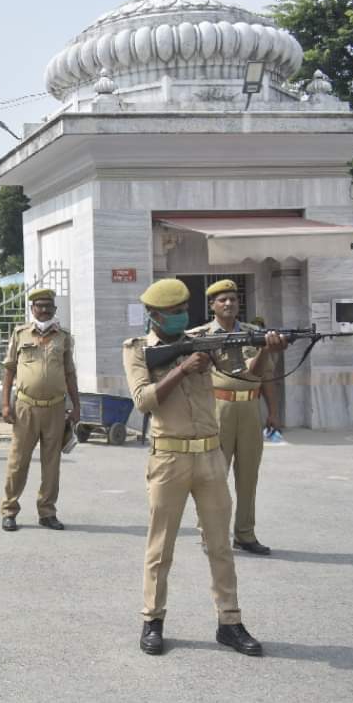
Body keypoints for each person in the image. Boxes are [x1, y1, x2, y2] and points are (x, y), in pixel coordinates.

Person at [123, 278, 269, 657]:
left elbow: (247, 376)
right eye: (172, 313)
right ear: (153, 316)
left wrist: (269, 351)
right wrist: (183, 369)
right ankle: (152, 620)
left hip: (209, 456)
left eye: (183, 311)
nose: (180, 318)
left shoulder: (204, 342)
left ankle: (230, 622)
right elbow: (144, 400)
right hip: (169, 457)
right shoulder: (138, 350)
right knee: (161, 547)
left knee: (220, 545)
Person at [189, 279, 284, 555]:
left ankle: (245, 533)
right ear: (212, 305)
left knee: (248, 476)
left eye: (232, 298)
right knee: (213, 477)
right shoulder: (200, 335)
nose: (228, 303)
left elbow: (265, 376)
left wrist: (274, 413)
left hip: (250, 409)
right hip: (218, 409)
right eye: (222, 299)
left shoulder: (256, 334)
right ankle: (209, 532)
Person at [0, 289, 81, 531]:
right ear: (32, 308)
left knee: (51, 464)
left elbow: (69, 373)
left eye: (48, 306)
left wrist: (76, 406)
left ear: (55, 309)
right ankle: (9, 510)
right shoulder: (20, 334)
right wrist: (5, 403)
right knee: (18, 462)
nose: (44, 310)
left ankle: (47, 512)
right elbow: (9, 370)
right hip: (26, 408)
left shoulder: (63, 337)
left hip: (55, 408)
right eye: (39, 306)